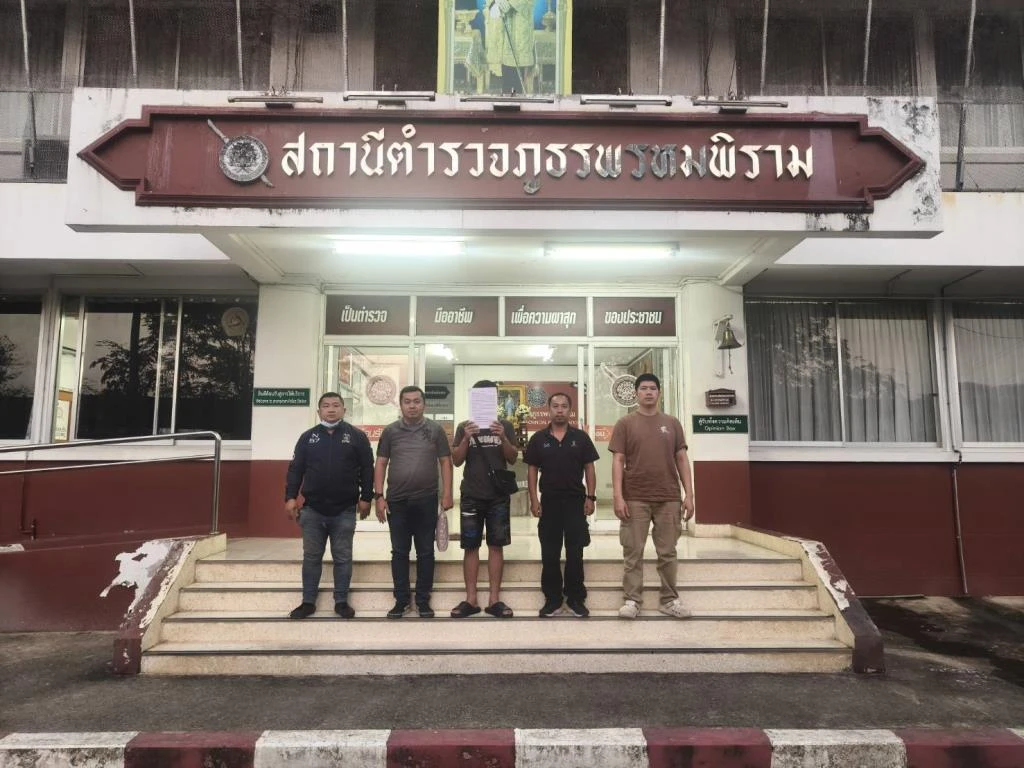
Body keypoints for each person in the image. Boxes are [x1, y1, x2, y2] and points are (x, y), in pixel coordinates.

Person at [609, 373, 695, 620]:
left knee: (667, 552)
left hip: (669, 497)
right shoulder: (625, 423)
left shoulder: (672, 423)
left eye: (653, 388)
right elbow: (618, 460)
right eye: (644, 388)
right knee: (633, 552)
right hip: (635, 497)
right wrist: (618, 496)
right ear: (636, 393)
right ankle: (632, 600)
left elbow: (681, 459)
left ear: (659, 393)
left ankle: (669, 600)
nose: (648, 392)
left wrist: (689, 495)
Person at [285, 392, 374, 620]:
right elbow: (296, 469)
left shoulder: (356, 437)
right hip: (313, 510)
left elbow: (367, 469)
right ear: (319, 411)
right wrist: (290, 497)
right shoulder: (307, 438)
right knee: (311, 557)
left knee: (343, 557)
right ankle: (308, 602)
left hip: (344, 510)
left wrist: (366, 497)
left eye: (336, 405)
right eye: (326, 406)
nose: (331, 409)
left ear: (344, 410)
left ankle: (341, 602)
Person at [373, 385, 454, 619]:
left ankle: (422, 601)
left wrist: (447, 493)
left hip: (426, 500)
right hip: (396, 502)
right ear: (400, 405)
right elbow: (381, 463)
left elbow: (445, 462)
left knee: (426, 552)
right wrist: (379, 496)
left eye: (416, 401)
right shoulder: (390, 431)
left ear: (424, 404)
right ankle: (401, 601)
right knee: (399, 552)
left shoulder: (435, 430)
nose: (412, 406)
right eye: (407, 401)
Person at [525, 392, 599, 618]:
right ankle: (553, 599)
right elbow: (532, 470)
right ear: (549, 409)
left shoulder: (581, 438)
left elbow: (589, 468)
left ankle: (575, 598)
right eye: (555, 406)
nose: (559, 410)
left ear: (570, 410)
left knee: (575, 552)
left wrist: (591, 497)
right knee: (550, 553)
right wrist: (534, 499)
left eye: (564, 406)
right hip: (549, 503)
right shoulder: (539, 439)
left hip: (575, 502)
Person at [450, 379, 518, 618]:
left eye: (489, 396)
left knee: (496, 545)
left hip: (498, 497)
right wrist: (466, 438)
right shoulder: (464, 426)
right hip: (471, 495)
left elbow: (512, 458)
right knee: (470, 546)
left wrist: (504, 438)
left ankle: (494, 599)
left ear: (495, 399)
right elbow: (456, 460)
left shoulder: (505, 425)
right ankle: (471, 599)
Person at [483, 0, 536, 94]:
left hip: (519, 26)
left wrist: (509, 3)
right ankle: (507, 96)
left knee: (517, 76)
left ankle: (516, 96)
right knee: (506, 74)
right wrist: (497, 3)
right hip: (502, 28)